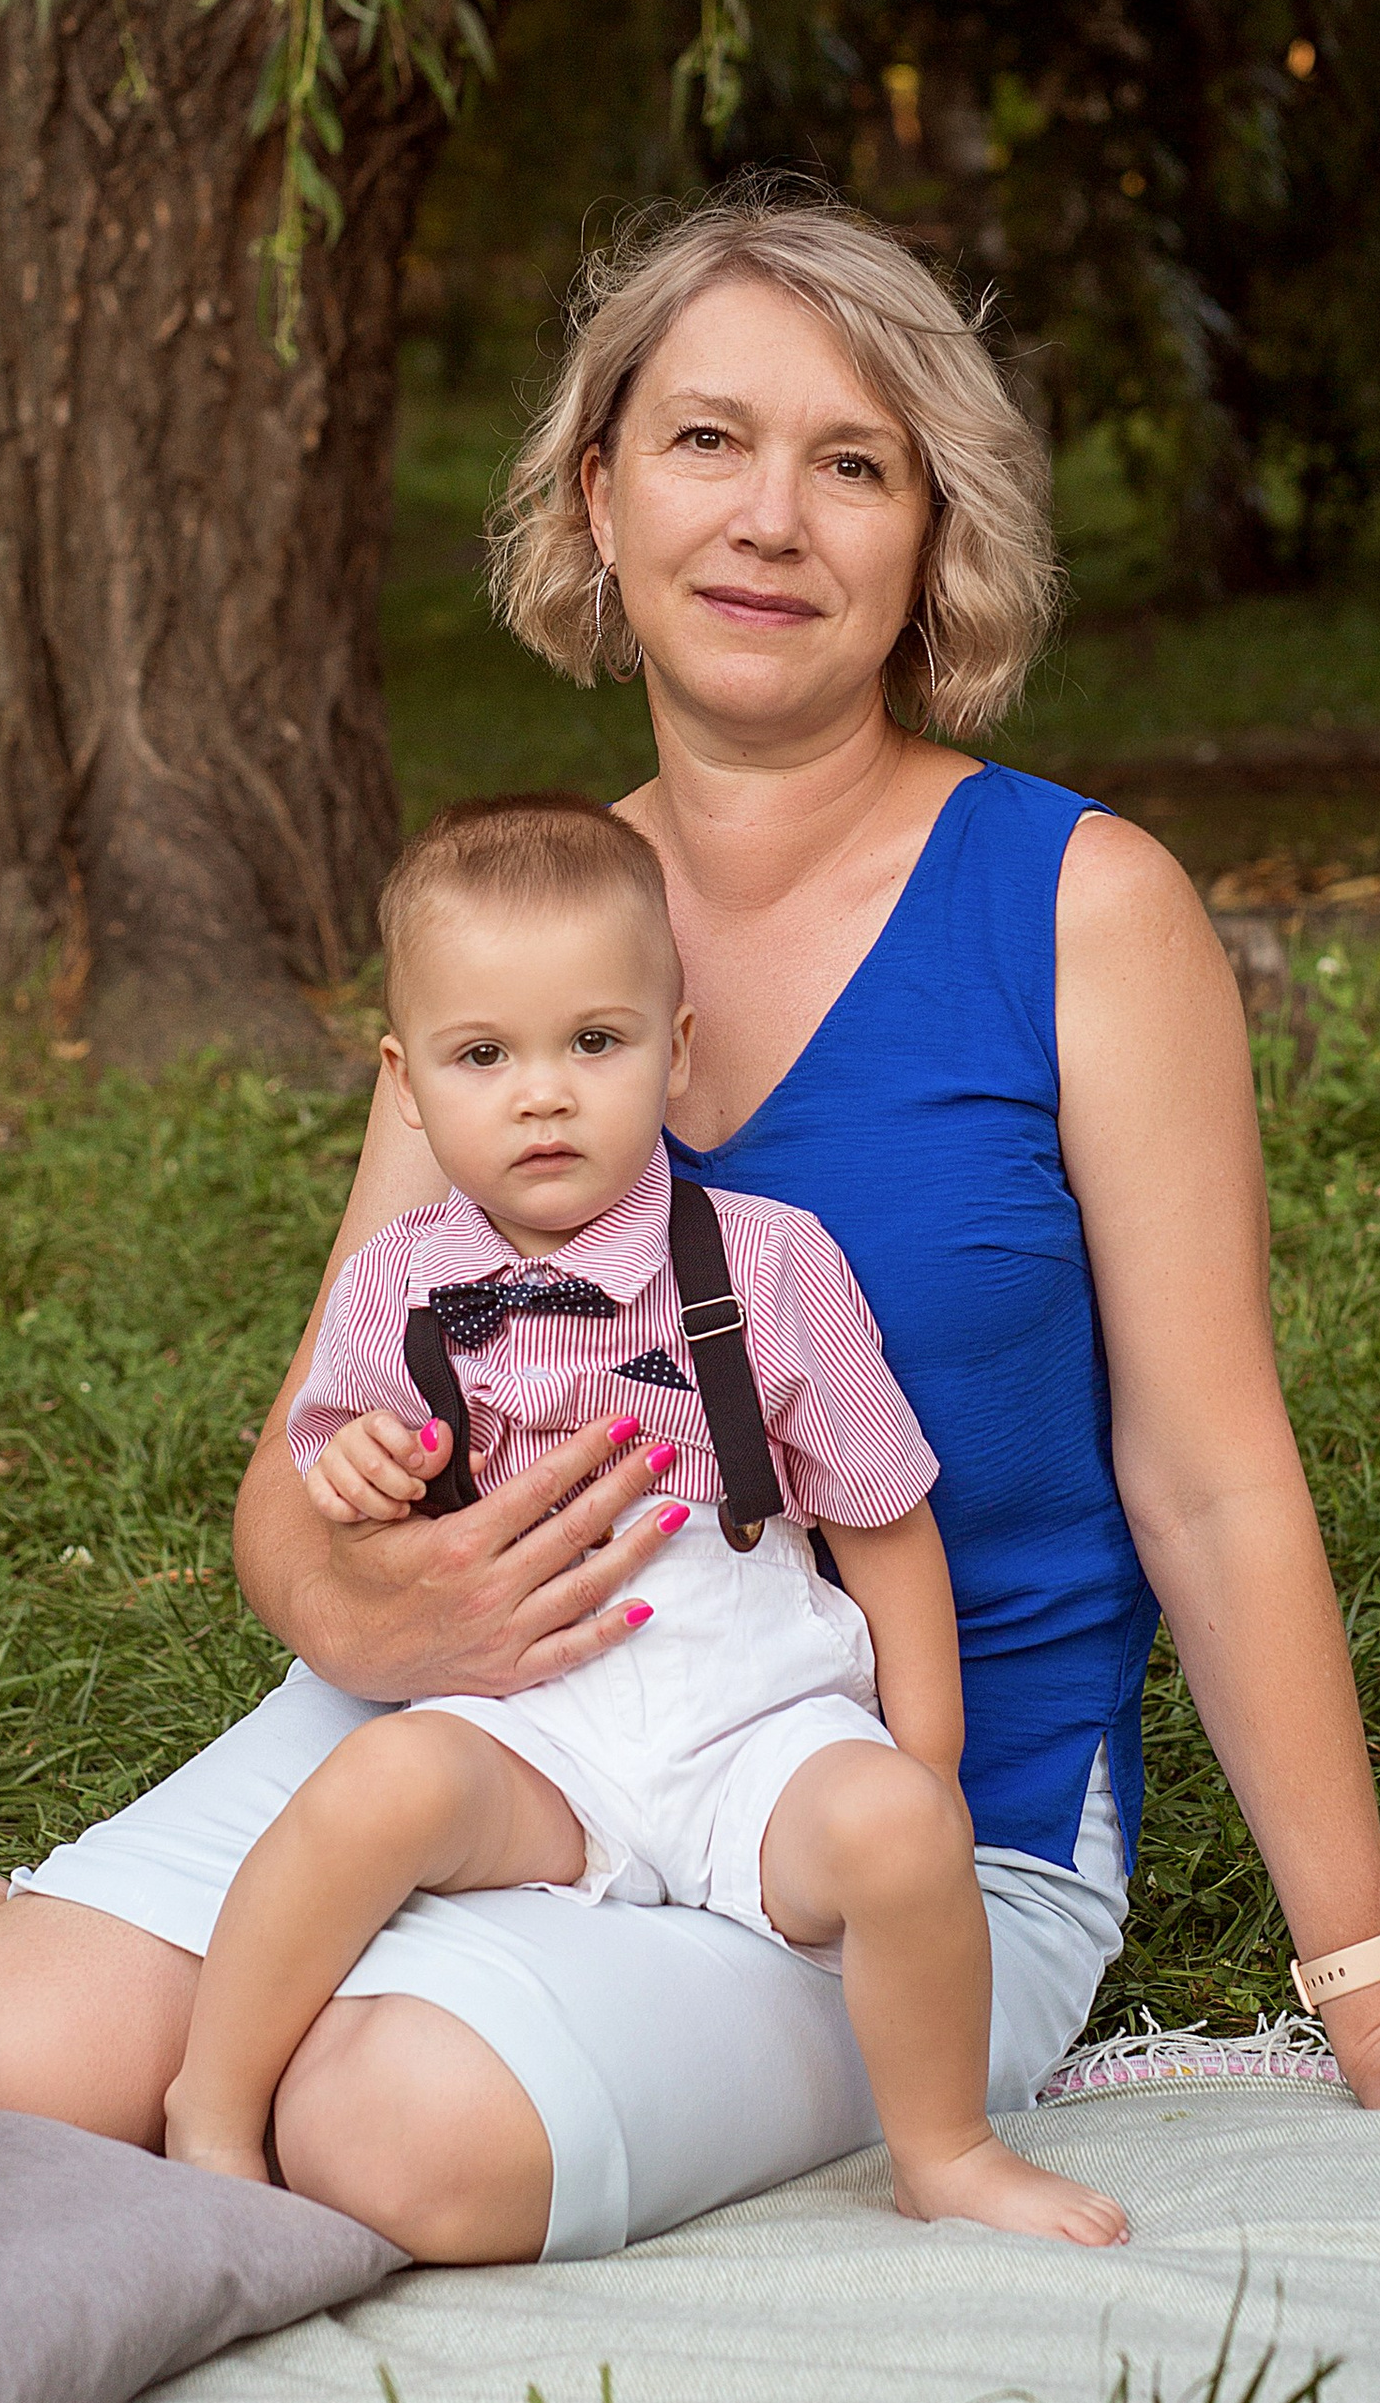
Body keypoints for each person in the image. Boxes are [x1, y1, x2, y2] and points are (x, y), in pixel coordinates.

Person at [0, 178, 1380, 2259]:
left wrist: (1371, 1992)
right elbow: (292, 1489)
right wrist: (377, 1616)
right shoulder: (504, 942)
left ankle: (342, 1988)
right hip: (472, 1729)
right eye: (707, 440)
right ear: (600, 492)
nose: (767, 520)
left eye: (851, 464)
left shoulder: (1080, 908)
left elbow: (1205, 1472)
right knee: (3, 2060)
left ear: (933, 542)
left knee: (399, 2130)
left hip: (885, 1830)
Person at [160, 791, 1127, 2245]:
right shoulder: (394, 1288)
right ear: (406, 1084)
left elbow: (884, 1516)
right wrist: (357, 1474)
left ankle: (944, 2148)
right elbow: (345, 1488)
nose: (542, 1093)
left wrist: (921, 1765)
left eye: (593, 1043)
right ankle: (211, 2106)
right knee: (375, 1792)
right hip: (537, 1720)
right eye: (485, 1054)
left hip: (752, 1719)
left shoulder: (767, 1264)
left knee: (891, 1828)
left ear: (674, 1052)